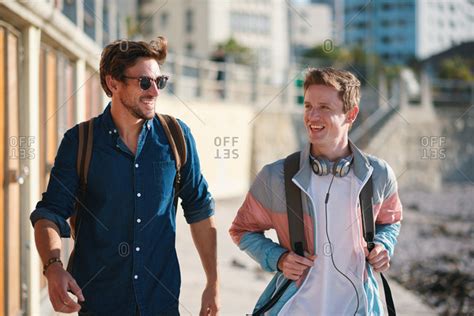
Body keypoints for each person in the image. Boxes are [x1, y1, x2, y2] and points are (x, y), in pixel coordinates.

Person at [30, 37, 219, 316]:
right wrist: (53, 266)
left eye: (160, 81)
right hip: (100, 305)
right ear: (113, 83)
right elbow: (50, 213)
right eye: (145, 82)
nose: (154, 91)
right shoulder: (79, 142)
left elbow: (200, 209)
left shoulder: (177, 138)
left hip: (161, 305)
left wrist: (213, 282)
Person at [229, 67, 402, 315]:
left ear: (350, 114)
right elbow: (242, 229)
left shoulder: (379, 174)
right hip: (293, 307)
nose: (312, 116)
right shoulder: (275, 177)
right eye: (308, 106)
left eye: (324, 107)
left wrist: (383, 245)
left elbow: (391, 220)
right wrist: (277, 258)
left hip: (359, 308)